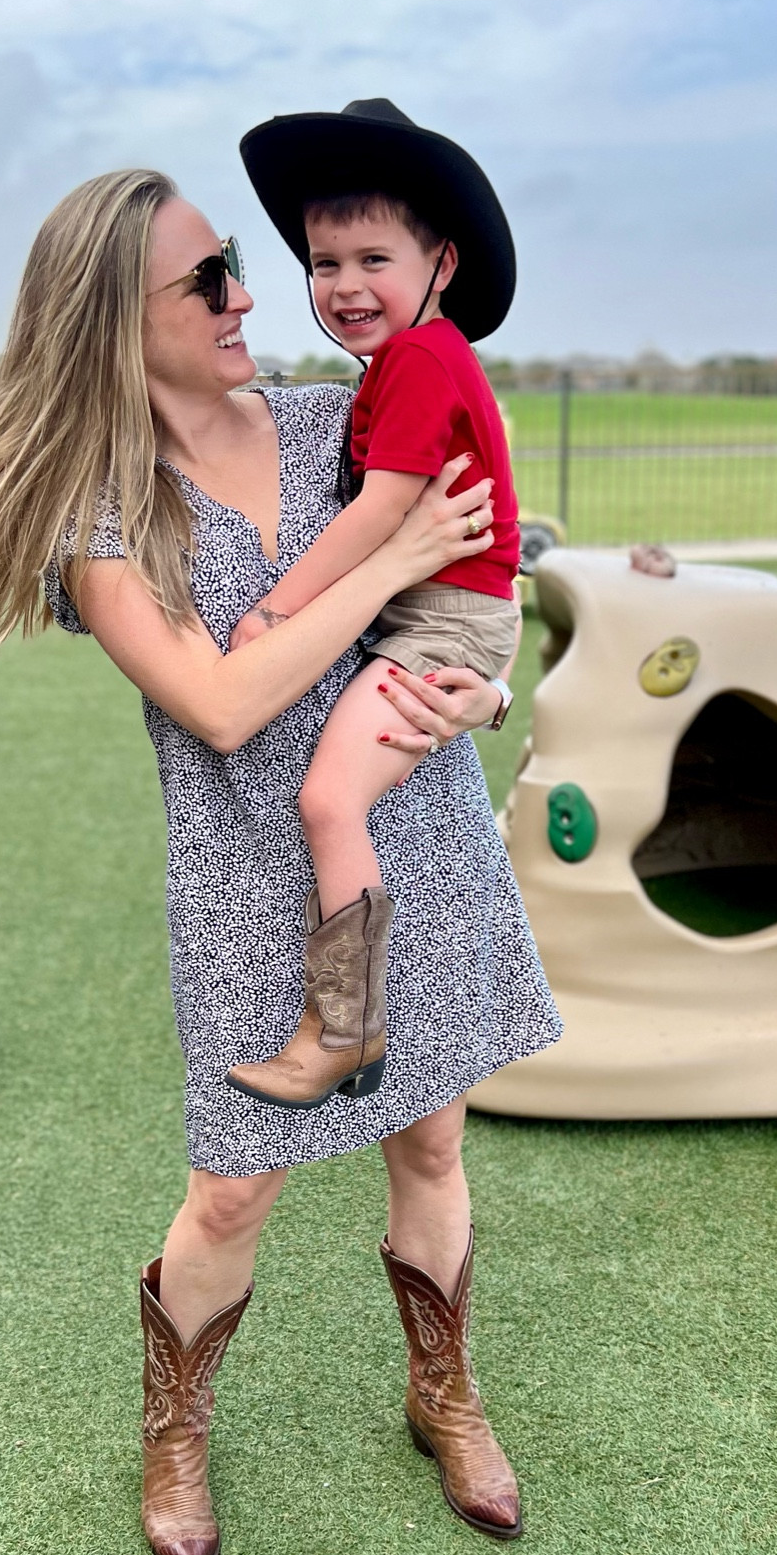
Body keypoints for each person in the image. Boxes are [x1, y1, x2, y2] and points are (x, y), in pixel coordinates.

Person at [0, 167, 561, 1555]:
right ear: (112, 318)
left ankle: (442, 1391)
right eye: (208, 280)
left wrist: (471, 684)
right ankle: (176, 1430)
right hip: (242, 882)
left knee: (434, 1144)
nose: (252, 298)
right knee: (229, 1194)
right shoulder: (103, 516)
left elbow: (495, 542)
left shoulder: (343, 413)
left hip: (417, 834)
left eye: (237, 270)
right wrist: (383, 554)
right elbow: (221, 706)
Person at [226, 99, 523, 1107]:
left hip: (441, 620)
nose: (344, 286)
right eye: (323, 263)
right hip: (438, 613)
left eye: (373, 259)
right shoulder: (409, 363)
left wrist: (274, 610)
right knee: (331, 800)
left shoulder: (417, 361)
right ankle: (354, 1026)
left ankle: (345, 1026)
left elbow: (380, 515)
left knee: (326, 799)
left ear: (441, 262)